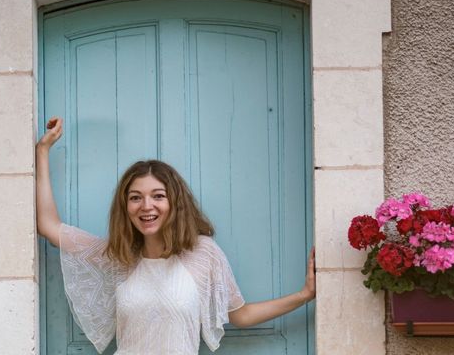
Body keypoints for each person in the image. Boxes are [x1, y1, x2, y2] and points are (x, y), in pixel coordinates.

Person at [36, 117, 316, 355]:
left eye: (158, 196)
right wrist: (43, 151)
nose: (147, 206)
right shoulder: (117, 256)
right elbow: (48, 225)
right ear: (126, 207)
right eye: (136, 198)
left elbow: (240, 314)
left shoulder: (203, 253)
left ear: (174, 203)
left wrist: (305, 295)